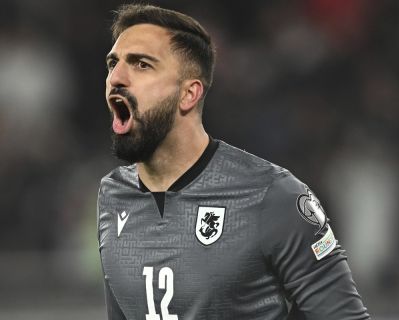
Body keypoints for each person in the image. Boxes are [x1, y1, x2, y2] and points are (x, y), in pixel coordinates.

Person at [97, 4, 370, 320]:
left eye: (142, 65)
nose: (116, 78)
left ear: (189, 94)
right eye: (112, 64)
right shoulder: (113, 196)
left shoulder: (272, 196)